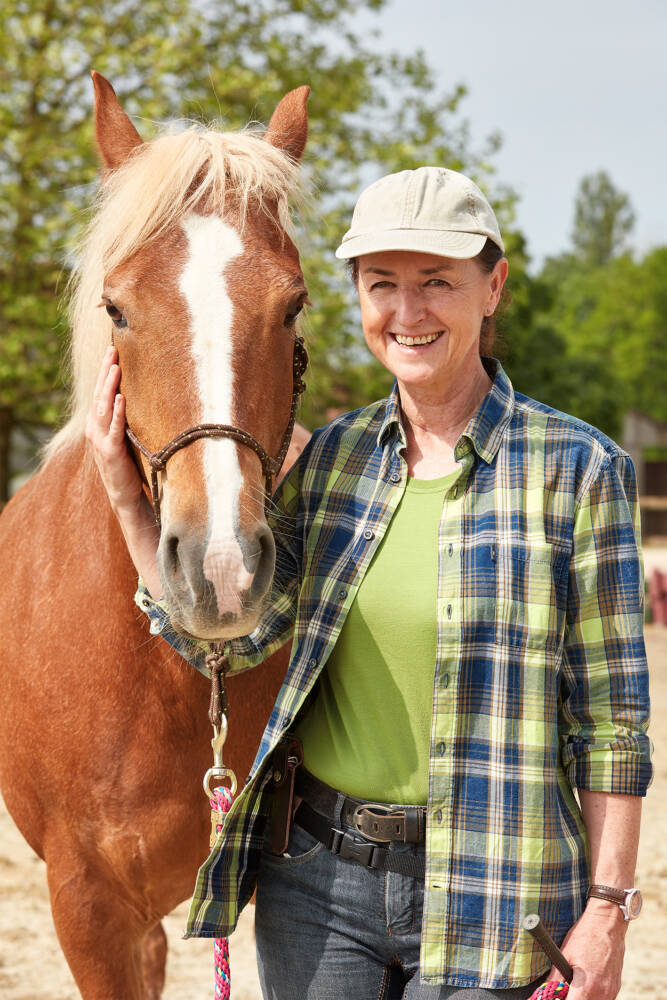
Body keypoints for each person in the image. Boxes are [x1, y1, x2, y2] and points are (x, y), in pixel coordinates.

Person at [88, 167, 652, 1000]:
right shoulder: (329, 463)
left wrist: (606, 911)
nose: (407, 312)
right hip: (317, 888)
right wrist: (124, 494)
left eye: (437, 284)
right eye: (381, 284)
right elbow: (230, 638)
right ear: (355, 300)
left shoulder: (579, 469)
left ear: (491, 288)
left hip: (498, 891)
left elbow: (611, 724)